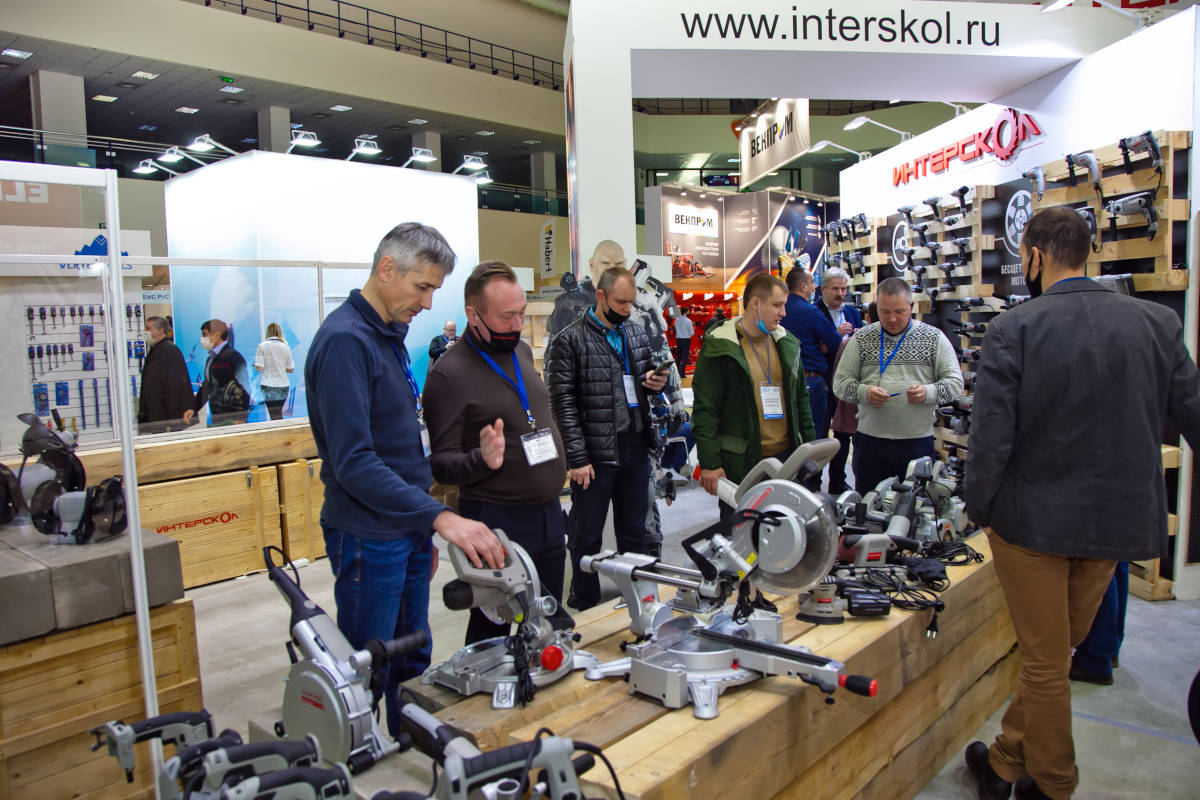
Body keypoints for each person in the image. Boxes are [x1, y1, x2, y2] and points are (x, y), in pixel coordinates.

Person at [962, 206, 1200, 800]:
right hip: (1117, 524)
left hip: (1031, 524)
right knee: (1056, 652)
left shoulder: (1014, 328)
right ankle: (1004, 762)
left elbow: (992, 437)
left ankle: (1053, 785)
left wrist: (979, 509)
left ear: (1035, 256)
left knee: (1045, 663)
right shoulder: (1157, 323)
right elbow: (1194, 414)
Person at [305, 222, 505, 739]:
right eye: (422, 287)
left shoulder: (387, 338)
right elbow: (354, 462)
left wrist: (421, 526)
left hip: (404, 529)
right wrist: (438, 517)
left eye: (435, 289)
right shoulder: (346, 342)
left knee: (411, 659)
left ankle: (407, 748)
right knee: (366, 667)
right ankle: (353, 759)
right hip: (368, 535)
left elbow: (400, 447)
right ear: (386, 269)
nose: (427, 302)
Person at [424, 260, 570, 644]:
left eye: (521, 312)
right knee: (493, 628)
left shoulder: (519, 351)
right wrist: (482, 459)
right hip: (495, 521)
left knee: (547, 619)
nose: (518, 324)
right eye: (507, 317)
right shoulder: (448, 375)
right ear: (473, 314)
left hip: (548, 513)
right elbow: (441, 466)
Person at [545, 266, 668, 611]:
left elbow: (639, 382)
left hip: (635, 446)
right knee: (586, 534)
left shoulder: (636, 333)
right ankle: (585, 598)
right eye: (620, 302)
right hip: (595, 455)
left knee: (634, 531)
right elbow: (562, 403)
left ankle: (636, 599)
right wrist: (577, 457)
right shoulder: (569, 340)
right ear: (600, 296)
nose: (627, 309)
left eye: (630, 302)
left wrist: (653, 383)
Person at [693, 273, 814, 511]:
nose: (783, 313)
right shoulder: (721, 347)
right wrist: (709, 463)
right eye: (777, 305)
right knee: (740, 527)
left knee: (784, 526)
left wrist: (808, 451)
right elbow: (705, 409)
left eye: (784, 305)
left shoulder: (787, 344)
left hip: (787, 459)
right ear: (755, 303)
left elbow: (801, 400)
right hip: (742, 462)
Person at [832, 278, 962, 495]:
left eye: (899, 312)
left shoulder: (934, 338)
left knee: (915, 506)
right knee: (868, 505)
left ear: (911, 307)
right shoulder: (861, 339)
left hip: (916, 443)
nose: (892, 319)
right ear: (876, 309)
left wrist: (928, 392)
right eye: (885, 312)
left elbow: (955, 383)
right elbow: (840, 384)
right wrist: (865, 393)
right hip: (870, 443)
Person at [780, 268, 841, 485]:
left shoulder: (780, 309)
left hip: (783, 382)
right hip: (812, 380)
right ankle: (809, 486)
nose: (815, 287)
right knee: (813, 439)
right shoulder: (810, 312)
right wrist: (823, 345)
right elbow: (835, 342)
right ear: (803, 286)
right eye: (812, 283)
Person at [827, 303, 876, 494]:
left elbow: (837, 374)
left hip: (849, 402)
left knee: (847, 442)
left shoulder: (850, 342)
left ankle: (839, 483)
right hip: (856, 403)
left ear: (867, 318)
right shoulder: (852, 343)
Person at [814, 266, 863, 437]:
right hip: (824, 381)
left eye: (843, 289)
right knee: (820, 431)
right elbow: (813, 347)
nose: (840, 293)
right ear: (823, 289)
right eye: (835, 289)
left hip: (848, 380)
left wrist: (859, 336)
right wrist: (836, 336)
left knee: (844, 432)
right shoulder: (814, 312)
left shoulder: (852, 313)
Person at [183, 319, 251, 428]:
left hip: (233, 420)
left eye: (205, 334)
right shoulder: (211, 359)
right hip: (218, 417)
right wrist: (193, 408)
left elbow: (244, 387)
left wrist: (240, 417)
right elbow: (207, 385)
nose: (202, 339)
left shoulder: (233, 357)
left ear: (217, 335)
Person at [137, 315, 194, 434]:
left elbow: (176, 384)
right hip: (156, 416)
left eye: (148, 328)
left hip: (166, 419)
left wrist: (174, 417)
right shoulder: (155, 351)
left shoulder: (170, 351)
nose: (145, 331)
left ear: (160, 330)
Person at [254, 322, 294, 421]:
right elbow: (290, 369)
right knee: (278, 413)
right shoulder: (286, 347)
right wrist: (280, 366)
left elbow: (259, 367)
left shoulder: (262, 346)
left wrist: (258, 366)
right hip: (283, 385)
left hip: (268, 384)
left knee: (273, 414)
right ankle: (282, 429)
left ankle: (280, 430)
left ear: (268, 332)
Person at [673, 307, 694, 376]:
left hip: (679, 340)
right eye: (688, 311)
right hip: (686, 340)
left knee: (678, 357)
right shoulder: (688, 321)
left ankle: (676, 373)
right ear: (685, 312)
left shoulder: (676, 320)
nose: (689, 312)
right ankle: (682, 373)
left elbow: (675, 329)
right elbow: (692, 333)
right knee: (684, 357)